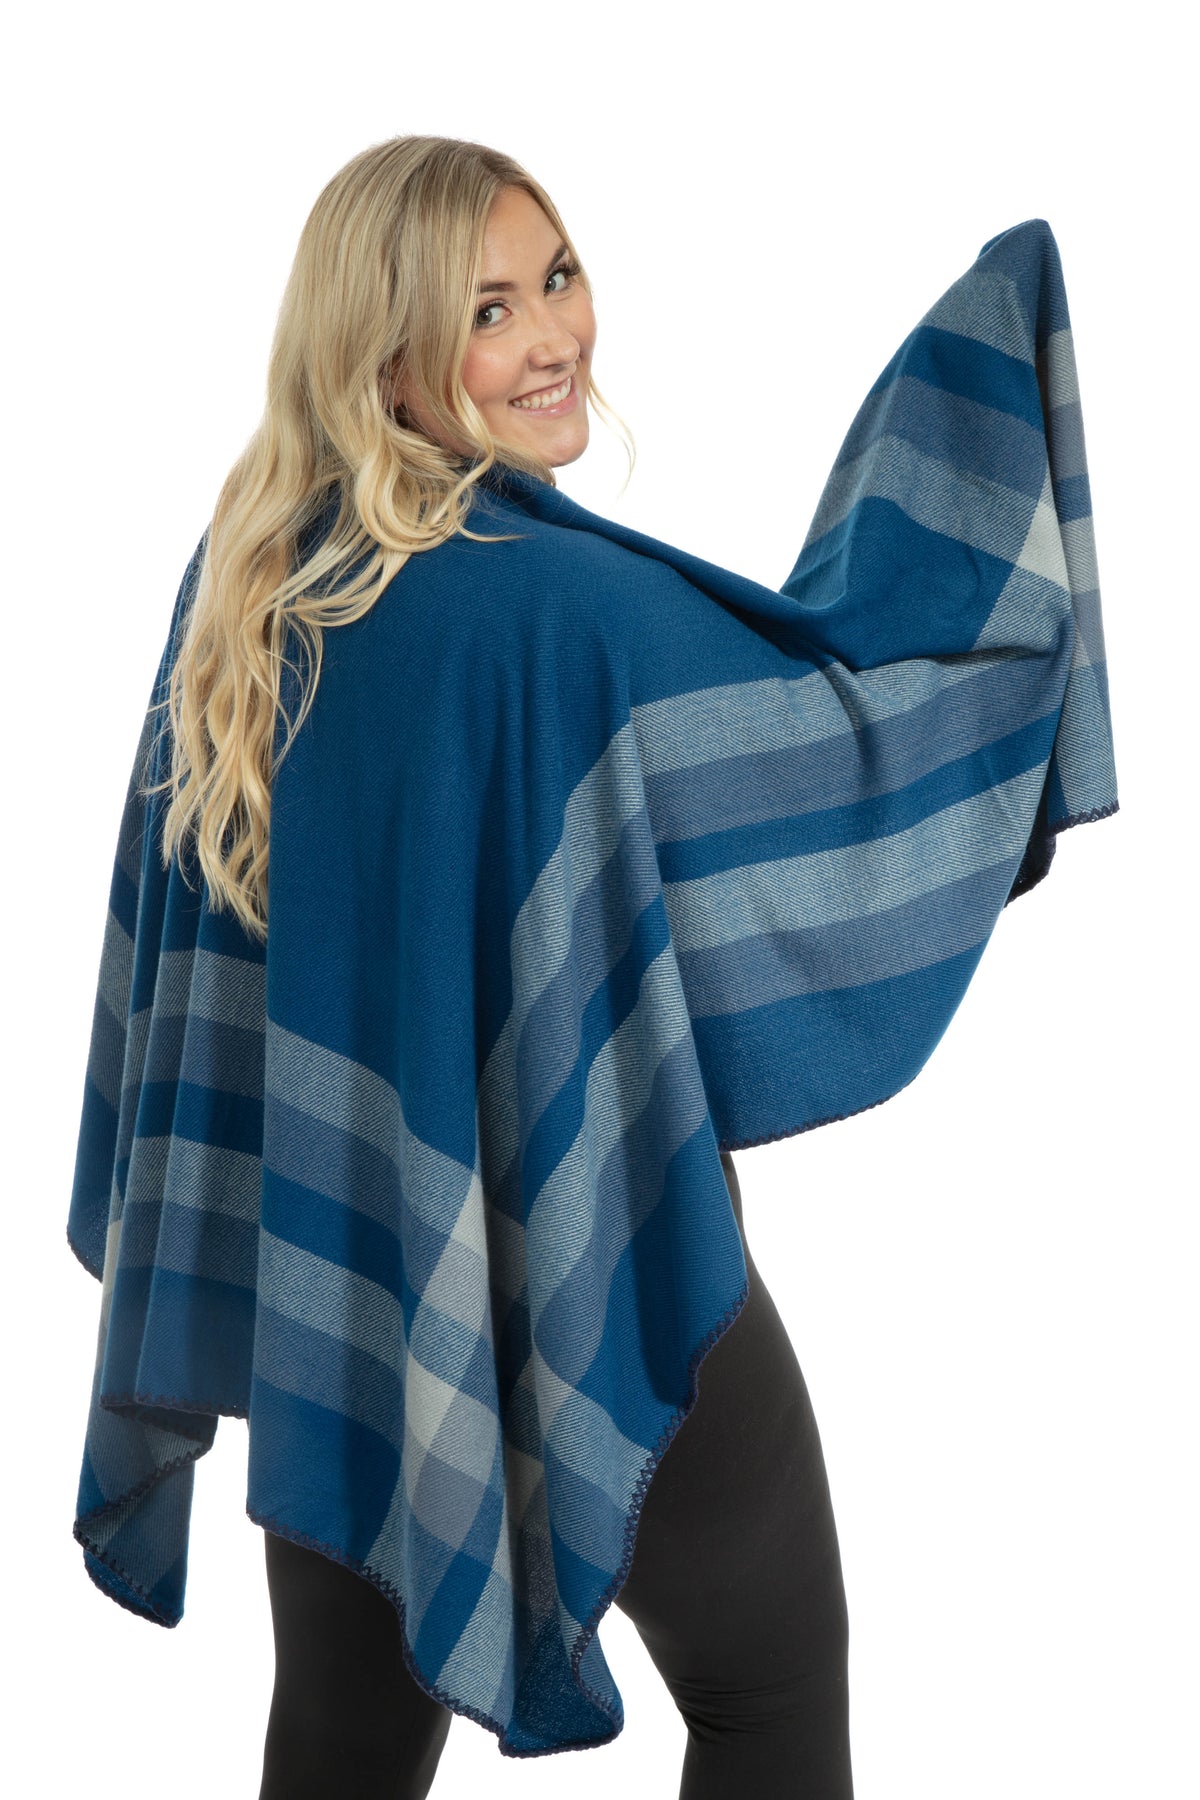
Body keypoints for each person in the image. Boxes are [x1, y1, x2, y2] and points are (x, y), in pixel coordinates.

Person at [66, 136, 1116, 1800]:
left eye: (556, 276)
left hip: (347, 1272)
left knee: (343, 1733)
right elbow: (844, 735)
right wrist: (987, 427)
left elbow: (196, 962)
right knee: (772, 1696)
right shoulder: (545, 616)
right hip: (600, 1243)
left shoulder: (249, 576)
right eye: (490, 309)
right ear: (389, 357)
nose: (554, 334)